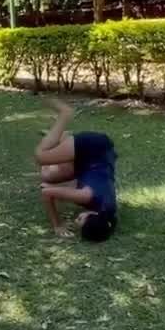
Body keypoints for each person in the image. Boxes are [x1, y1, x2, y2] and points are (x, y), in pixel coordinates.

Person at [34, 101, 117, 241]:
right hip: (93, 148)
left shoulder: (108, 211)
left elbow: (82, 186)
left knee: (47, 175)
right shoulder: (86, 196)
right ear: (93, 215)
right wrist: (57, 225)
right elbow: (46, 194)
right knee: (41, 157)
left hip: (93, 161)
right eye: (80, 219)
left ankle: (64, 139)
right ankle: (65, 114)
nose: (76, 219)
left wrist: (54, 188)